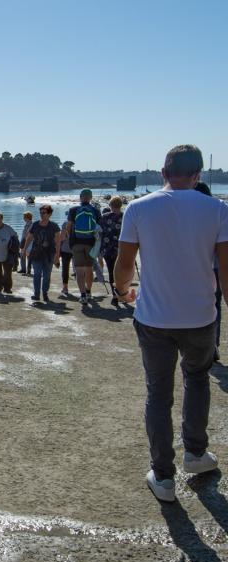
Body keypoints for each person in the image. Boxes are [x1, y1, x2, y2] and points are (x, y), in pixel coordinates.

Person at [114, 145, 228, 503]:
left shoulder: (138, 208)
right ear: (198, 175)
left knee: (158, 394)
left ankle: (163, 476)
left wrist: (123, 291)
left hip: (153, 317)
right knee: (197, 380)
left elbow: (125, 261)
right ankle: (195, 454)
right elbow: (226, 272)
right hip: (200, 316)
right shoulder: (218, 210)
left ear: (163, 172)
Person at [195, 181, 222, 361]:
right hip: (217, 268)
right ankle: (213, 345)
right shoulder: (218, 212)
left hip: (198, 268)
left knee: (197, 305)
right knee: (215, 306)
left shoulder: (191, 216)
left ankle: (203, 346)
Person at [66, 189, 101, 305]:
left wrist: (69, 239)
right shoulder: (95, 210)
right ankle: (89, 292)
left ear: (80, 197)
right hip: (90, 243)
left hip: (76, 243)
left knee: (80, 271)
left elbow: (69, 227)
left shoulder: (73, 210)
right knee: (89, 269)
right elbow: (99, 229)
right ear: (90, 198)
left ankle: (82, 296)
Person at [23, 205, 61, 302]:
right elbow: (29, 238)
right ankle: (36, 294)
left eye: (44, 213)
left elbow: (58, 242)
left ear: (50, 214)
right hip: (36, 253)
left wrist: (57, 256)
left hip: (49, 254)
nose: (42, 215)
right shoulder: (35, 225)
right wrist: (24, 249)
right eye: (40, 213)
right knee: (37, 274)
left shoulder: (54, 226)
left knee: (47, 275)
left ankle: (45, 293)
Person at [100, 196, 123, 306]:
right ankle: (122, 293)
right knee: (122, 272)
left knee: (111, 272)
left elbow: (99, 232)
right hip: (122, 249)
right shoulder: (125, 216)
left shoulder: (104, 217)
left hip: (107, 249)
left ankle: (115, 296)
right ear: (121, 205)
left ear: (110, 205)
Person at [59, 211, 73, 298]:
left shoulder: (65, 223)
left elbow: (62, 238)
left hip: (65, 249)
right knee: (80, 269)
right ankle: (85, 289)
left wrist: (58, 250)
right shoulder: (78, 223)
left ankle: (65, 288)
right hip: (76, 248)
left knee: (65, 269)